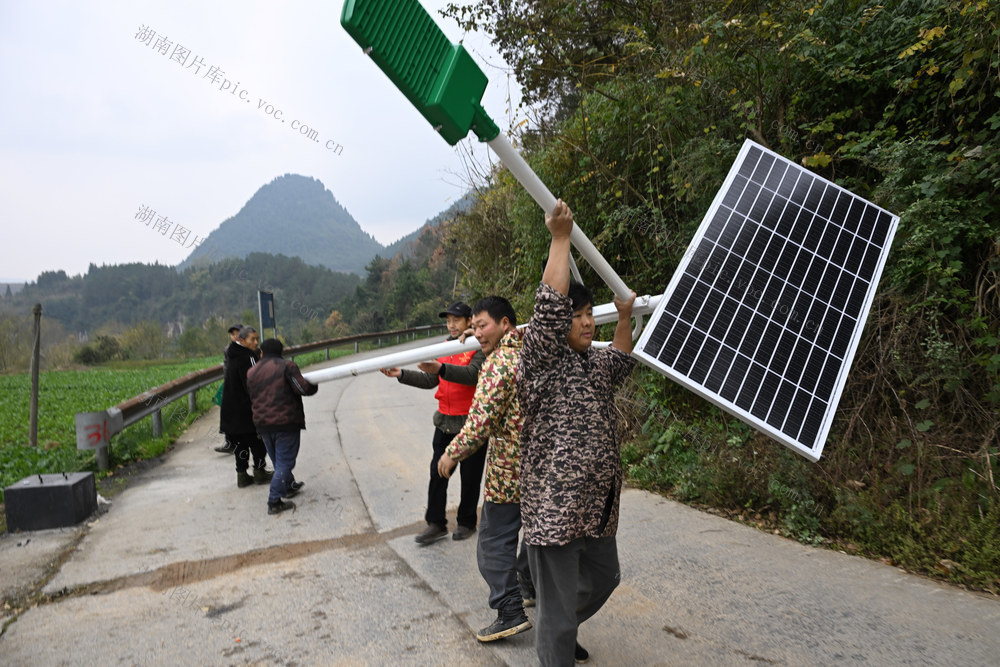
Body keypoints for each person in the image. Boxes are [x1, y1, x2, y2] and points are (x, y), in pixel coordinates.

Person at [516, 199, 636, 666]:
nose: (586, 322)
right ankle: (557, 634)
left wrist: (622, 317)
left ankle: (559, 624)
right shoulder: (541, 362)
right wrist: (561, 238)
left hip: (596, 509)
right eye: (576, 314)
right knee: (559, 615)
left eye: (589, 313)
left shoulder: (593, 362)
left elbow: (620, 360)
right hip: (556, 512)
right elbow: (549, 311)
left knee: (605, 577)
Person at [437, 296, 535, 642]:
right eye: (473, 327)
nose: (477, 333)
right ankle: (530, 586)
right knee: (536, 535)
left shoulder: (499, 364)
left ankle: (509, 611)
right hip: (541, 468)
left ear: (505, 324)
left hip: (509, 473)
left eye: (483, 325)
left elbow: (481, 421)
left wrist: (452, 453)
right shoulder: (533, 353)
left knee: (493, 542)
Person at [379, 302, 487, 544]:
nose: (451, 325)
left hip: (471, 424)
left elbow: (472, 376)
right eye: (448, 320)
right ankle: (436, 523)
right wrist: (401, 374)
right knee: (438, 473)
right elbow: (431, 380)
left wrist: (442, 368)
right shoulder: (445, 347)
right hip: (444, 422)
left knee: (470, 477)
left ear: (469, 321)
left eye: (456, 320)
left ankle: (467, 522)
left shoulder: (478, 346)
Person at [247, 338, 318, 515]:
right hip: (286, 422)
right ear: (281, 352)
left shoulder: (252, 371)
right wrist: (314, 384)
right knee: (285, 462)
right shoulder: (287, 366)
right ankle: (274, 500)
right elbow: (302, 389)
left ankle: (288, 486)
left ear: (262, 353)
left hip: (262, 424)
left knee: (278, 462)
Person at [219, 326, 273, 488]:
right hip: (246, 410)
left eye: (257, 339)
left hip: (231, 409)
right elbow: (253, 383)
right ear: (242, 340)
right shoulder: (248, 357)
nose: (256, 342)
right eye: (252, 339)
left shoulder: (232, 355)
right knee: (257, 442)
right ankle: (259, 472)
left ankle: (242, 475)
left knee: (240, 445)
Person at [214, 323, 244, 454]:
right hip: (231, 386)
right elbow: (226, 366)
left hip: (246, 386)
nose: (235, 336)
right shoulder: (228, 350)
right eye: (233, 334)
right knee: (228, 414)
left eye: (238, 333)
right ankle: (230, 443)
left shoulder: (250, 348)